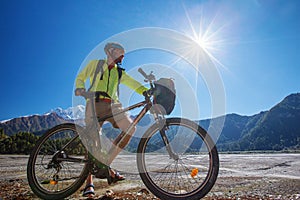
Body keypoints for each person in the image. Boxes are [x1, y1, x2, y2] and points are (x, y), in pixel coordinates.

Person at [75, 42, 148, 198]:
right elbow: (81, 76)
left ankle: (106, 165)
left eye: (123, 53)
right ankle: (89, 182)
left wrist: (147, 91)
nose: (122, 56)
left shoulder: (119, 72)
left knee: (130, 128)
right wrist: (80, 88)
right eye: (120, 52)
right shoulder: (95, 65)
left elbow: (133, 83)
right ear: (109, 51)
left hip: (114, 105)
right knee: (92, 141)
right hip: (94, 103)